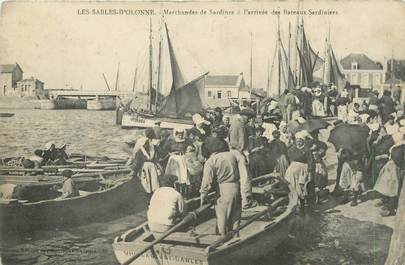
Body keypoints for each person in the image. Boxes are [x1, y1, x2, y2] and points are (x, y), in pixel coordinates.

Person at [200, 151, 241, 236]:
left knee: (222, 219)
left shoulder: (212, 160)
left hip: (223, 189)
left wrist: (203, 194)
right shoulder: (233, 155)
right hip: (236, 186)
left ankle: (221, 240)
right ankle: (235, 239)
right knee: (235, 218)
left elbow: (207, 181)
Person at [229, 108, 257, 209]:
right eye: (248, 118)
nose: (249, 120)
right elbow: (241, 143)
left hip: (231, 152)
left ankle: (235, 200)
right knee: (246, 177)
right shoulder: (241, 125)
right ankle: (246, 201)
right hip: (239, 152)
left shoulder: (233, 124)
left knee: (234, 177)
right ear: (244, 116)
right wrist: (246, 155)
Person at [374, 132, 405, 216]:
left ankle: (390, 208)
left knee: (392, 187)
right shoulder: (398, 146)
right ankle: (387, 204)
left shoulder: (400, 146)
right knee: (389, 186)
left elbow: (397, 158)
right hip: (391, 167)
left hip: (393, 168)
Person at [130, 128, 163, 202]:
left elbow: (138, 160)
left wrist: (134, 171)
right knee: (154, 183)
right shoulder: (154, 146)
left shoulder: (142, 148)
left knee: (146, 184)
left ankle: (148, 200)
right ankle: (155, 199)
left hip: (145, 167)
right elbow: (160, 155)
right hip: (152, 166)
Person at [285, 130, 315, 208]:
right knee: (290, 182)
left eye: (300, 141)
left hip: (302, 169)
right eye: (297, 141)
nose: (298, 143)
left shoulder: (307, 150)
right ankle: (293, 198)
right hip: (293, 168)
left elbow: (310, 161)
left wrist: (310, 172)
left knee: (301, 185)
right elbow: (288, 155)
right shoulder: (293, 148)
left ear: (303, 141)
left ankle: (302, 200)